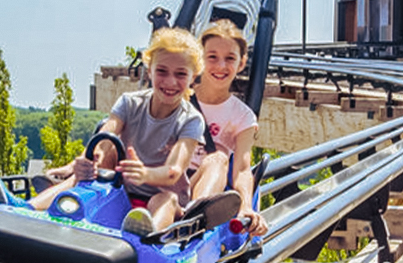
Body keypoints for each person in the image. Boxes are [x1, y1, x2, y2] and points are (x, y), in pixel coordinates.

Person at [34, 26, 206, 235]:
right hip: (120, 191)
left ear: (193, 77)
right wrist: (84, 163)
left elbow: (173, 172)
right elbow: (106, 138)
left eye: (180, 74)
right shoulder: (129, 102)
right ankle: (28, 208)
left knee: (165, 200)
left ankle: (146, 237)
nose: (170, 81)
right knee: (86, 178)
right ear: (149, 69)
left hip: (163, 200)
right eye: (162, 71)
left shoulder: (191, 119)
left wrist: (144, 174)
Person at [187, 19, 268, 236]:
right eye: (212, 57)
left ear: (241, 64)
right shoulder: (180, 97)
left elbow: (241, 168)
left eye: (230, 59)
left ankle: (193, 219)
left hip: (203, 179)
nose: (221, 66)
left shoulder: (242, 116)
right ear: (200, 59)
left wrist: (246, 206)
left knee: (219, 159)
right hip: (167, 175)